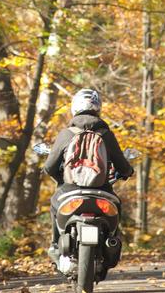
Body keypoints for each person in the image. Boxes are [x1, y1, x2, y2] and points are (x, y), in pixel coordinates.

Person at [43, 88, 134, 260]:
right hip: (102, 189)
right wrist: (128, 172)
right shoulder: (106, 134)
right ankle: (112, 241)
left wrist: (60, 179)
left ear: (74, 107)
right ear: (98, 108)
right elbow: (122, 165)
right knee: (117, 206)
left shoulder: (66, 133)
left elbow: (49, 167)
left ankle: (56, 244)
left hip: (70, 190)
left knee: (54, 206)